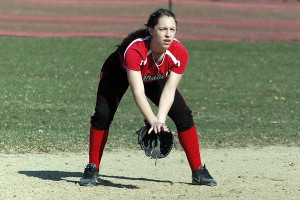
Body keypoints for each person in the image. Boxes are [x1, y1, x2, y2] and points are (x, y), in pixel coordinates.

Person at [79, 8, 217, 187]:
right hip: (118, 72)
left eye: (172, 30)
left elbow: (169, 89)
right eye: (162, 29)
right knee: (102, 115)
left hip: (153, 76)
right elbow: (138, 92)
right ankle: (92, 167)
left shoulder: (179, 52)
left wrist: (160, 120)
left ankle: (198, 171)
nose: (168, 35)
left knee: (183, 115)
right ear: (151, 30)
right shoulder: (135, 50)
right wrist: (151, 120)